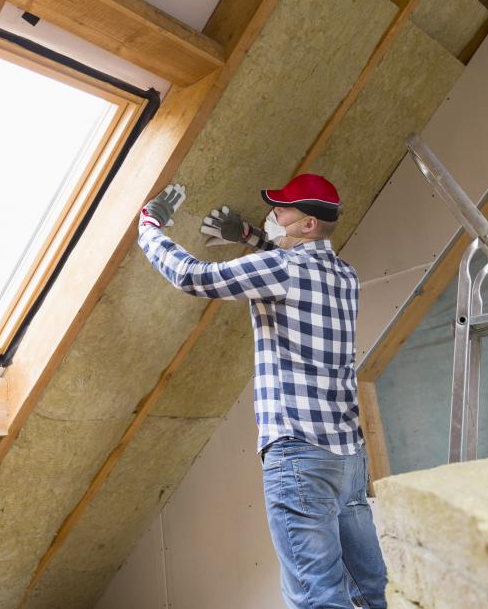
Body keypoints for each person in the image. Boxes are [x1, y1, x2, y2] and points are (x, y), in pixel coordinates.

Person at [138, 173, 387, 609]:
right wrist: (249, 236)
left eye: (282, 209)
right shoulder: (345, 275)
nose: (273, 214)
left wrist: (149, 228)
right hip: (346, 459)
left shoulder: (281, 268)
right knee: (366, 590)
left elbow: (193, 276)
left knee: (317, 598)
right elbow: (289, 269)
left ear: (307, 224)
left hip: (298, 458)